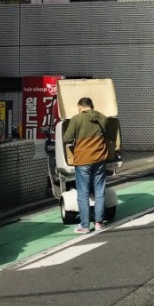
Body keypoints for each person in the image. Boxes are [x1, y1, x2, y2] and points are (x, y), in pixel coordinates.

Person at [63, 97, 109, 234]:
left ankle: (84, 226)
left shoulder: (77, 119)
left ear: (80, 106)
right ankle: (99, 223)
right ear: (92, 106)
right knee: (99, 191)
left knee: (83, 194)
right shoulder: (103, 118)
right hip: (100, 159)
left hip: (83, 160)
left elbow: (67, 138)